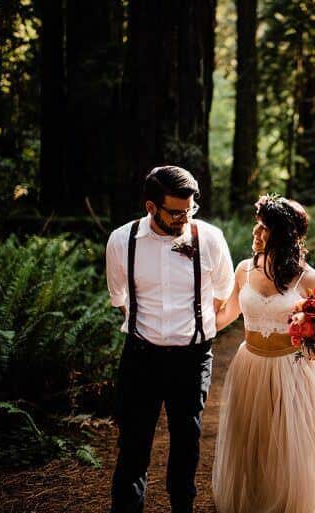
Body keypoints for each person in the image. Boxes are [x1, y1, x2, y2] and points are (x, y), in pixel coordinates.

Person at [105, 166, 234, 513]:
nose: (184, 218)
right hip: (140, 357)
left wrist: (195, 329)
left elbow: (223, 293)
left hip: (191, 359)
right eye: (175, 212)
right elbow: (120, 299)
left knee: (186, 445)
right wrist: (149, 335)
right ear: (151, 207)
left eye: (189, 209)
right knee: (132, 447)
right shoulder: (121, 240)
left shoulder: (210, 238)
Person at [211, 195, 315, 513]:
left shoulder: (309, 279)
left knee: (291, 450)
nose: (255, 232)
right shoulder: (243, 271)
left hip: (292, 370)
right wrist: (188, 325)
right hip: (250, 367)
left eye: (264, 227)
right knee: (251, 447)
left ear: (282, 235)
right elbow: (224, 317)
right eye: (257, 224)